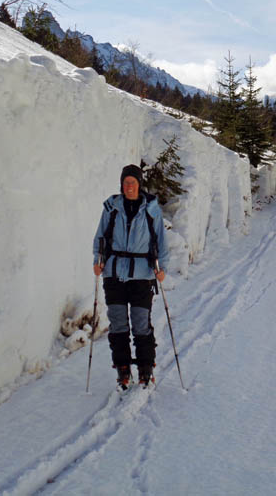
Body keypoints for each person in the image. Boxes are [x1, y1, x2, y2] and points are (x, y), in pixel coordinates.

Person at [93, 164, 168, 388]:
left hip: (142, 276)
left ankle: (146, 368)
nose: (129, 186)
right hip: (114, 274)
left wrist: (162, 267)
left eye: (132, 182)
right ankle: (123, 368)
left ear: (139, 184)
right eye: (125, 182)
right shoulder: (111, 208)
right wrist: (98, 261)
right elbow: (100, 239)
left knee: (140, 324)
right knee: (118, 324)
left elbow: (162, 242)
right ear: (121, 184)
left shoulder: (151, 210)